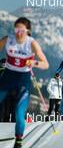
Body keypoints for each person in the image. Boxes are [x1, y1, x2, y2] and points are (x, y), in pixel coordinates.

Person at [0, 17, 49, 148]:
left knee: (19, 112)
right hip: (7, 78)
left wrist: (35, 62)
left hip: (23, 80)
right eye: (16, 29)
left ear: (28, 31)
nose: (19, 33)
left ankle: (19, 141)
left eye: (22, 30)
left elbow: (46, 64)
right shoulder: (8, 39)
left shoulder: (32, 43)